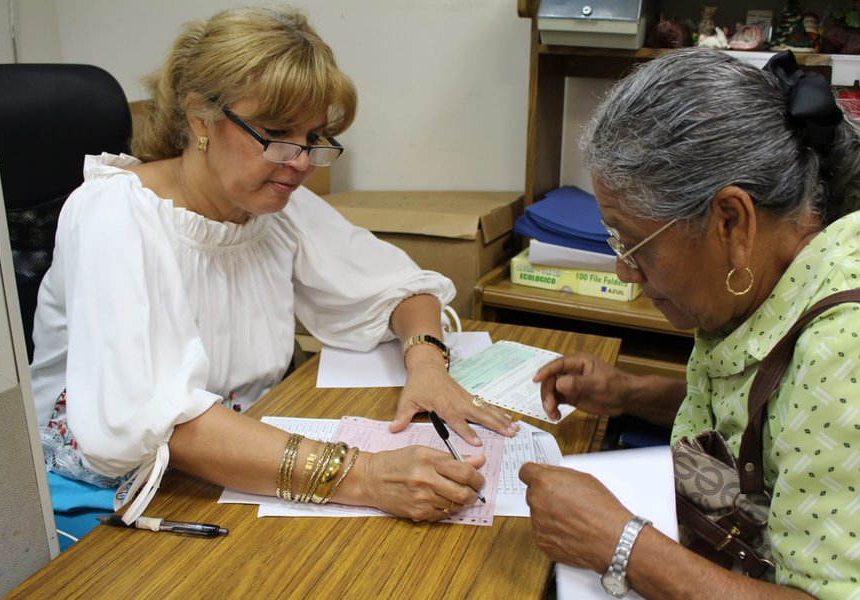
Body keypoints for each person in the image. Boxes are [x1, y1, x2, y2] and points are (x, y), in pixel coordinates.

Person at [30, 5, 518, 525]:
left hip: (242, 461)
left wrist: (427, 366)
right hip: (114, 492)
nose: (302, 161)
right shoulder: (116, 213)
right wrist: (368, 476)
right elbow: (151, 424)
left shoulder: (271, 203)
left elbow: (401, 289)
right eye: (279, 132)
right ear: (200, 116)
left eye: (313, 138)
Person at [519, 48, 860, 598]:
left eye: (633, 242)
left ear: (732, 221)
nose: (625, 271)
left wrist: (619, 544)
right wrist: (628, 393)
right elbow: (772, 429)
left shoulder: (851, 351)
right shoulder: (778, 274)